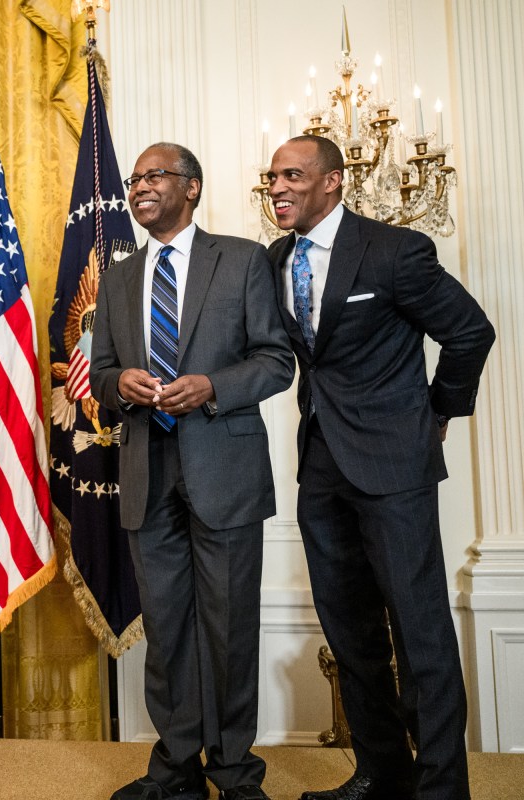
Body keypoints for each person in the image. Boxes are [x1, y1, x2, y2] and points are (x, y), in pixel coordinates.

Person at [266, 135, 495, 800]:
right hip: (322, 471)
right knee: (351, 630)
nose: (278, 187)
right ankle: (381, 775)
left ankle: (443, 788)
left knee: (419, 629)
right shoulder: (277, 260)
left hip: (396, 467)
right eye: (272, 176)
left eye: (293, 174)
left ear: (334, 181)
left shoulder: (395, 251)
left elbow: (469, 330)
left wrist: (438, 416)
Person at [90, 143, 293, 800]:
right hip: (148, 479)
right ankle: (175, 772)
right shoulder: (119, 277)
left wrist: (210, 386)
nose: (140, 187)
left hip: (224, 474)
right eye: (135, 179)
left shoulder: (240, 260)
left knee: (229, 629)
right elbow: (99, 376)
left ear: (192, 187)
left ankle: (233, 772)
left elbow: (275, 361)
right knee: (169, 628)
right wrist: (120, 381)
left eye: (156, 176)